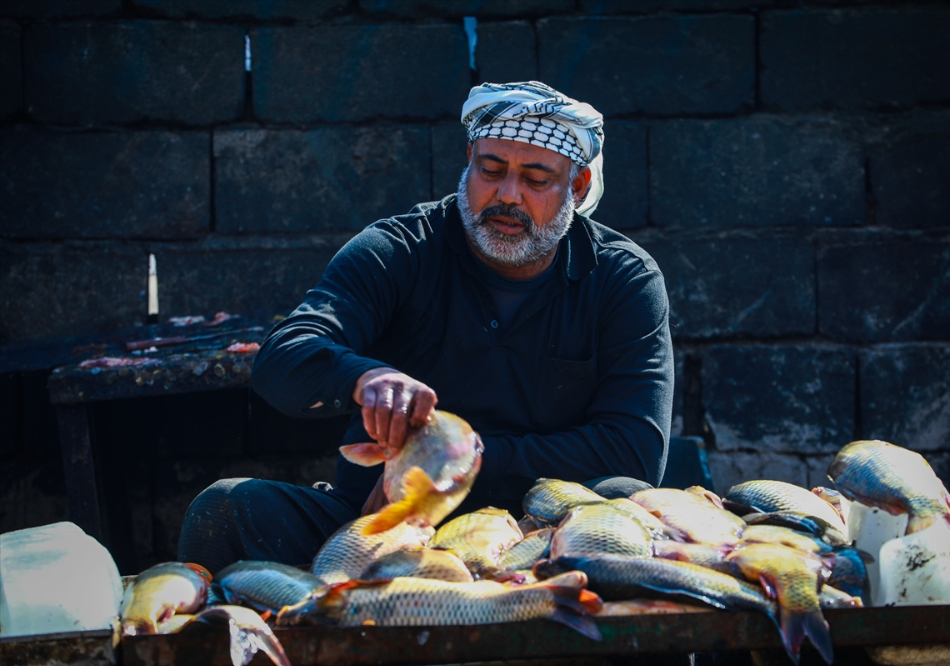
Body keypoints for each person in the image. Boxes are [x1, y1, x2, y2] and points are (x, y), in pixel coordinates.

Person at [177, 81, 674, 573]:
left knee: (623, 498)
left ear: (578, 185)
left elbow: (634, 449)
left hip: (548, 538)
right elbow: (283, 358)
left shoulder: (622, 278)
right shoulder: (398, 251)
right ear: (469, 160)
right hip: (380, 530)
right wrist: (363, 378)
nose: (508, 195)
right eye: (491, 169)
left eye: (536, 179)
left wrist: (461, 458)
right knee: (227, 508)